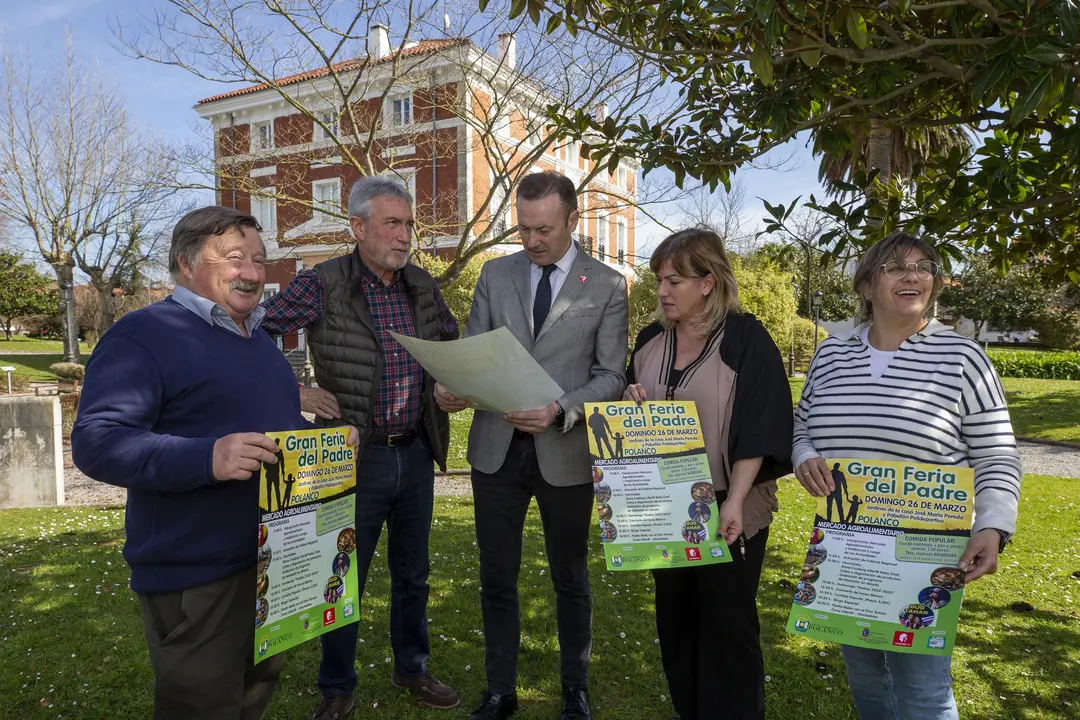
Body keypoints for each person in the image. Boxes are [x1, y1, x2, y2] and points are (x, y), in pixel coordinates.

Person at [71, 206, 356, 720]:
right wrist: (207, 457)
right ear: (186, 263)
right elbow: (96, 441)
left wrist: (325, 445)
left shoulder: (260, 343)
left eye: (259, 259)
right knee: (201, 707)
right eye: (234, 258)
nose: (252, 272)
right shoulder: (143, 335)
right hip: (196, 576)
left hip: (274, 564)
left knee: (252, 697)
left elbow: (270, 435)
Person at [792, 231, 1022, 720]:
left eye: (924, 267)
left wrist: (994, 526)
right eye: (895, 267)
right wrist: (804, 455)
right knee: (866, 678)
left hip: (924, 548)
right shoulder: (832, 355)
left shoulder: (964, 358)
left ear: (935, 283)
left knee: (923, 690)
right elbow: (801, 424)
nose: (912, 275)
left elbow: (998, 453)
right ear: (867, 284)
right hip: (848, 546)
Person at [261, 177, 461, 719]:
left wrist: (451, 387)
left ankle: (412, 667)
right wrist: (293, 389)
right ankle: (337, 686)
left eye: (410, 225)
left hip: (416, 450)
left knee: (413, 572)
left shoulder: (421, 285)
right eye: (393, 224)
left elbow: (450, 346)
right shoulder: (324, 282)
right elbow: (253, 329)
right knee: (343, 569)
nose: (405, 236)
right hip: (353, 455)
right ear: (358, 227)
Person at [435, 171, 628, 720]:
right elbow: (473, 351)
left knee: (570, 576)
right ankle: (500, 691)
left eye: (543, 229)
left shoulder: (609, 285)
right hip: (495, 450)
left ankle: (575, 690)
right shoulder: (495, 275)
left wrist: (560, 409)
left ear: (572, 219)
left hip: (564, 451)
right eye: (523, 228)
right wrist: (454, 388)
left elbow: (611, 375)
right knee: (496, 575)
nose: (532, 239)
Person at [622, 228, 793, 720]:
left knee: (726, 626)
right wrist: (634, 405)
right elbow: (637, 422)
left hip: (726, 504)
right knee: (676, 622)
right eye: (659, 279)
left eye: (674, 279)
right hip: (665, 507)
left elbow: (759, 425)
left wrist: (736, 500)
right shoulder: (651, 340)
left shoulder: (746, 339)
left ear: (709, 282)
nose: (661, 290)